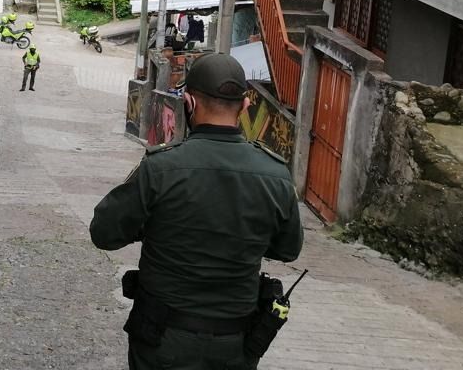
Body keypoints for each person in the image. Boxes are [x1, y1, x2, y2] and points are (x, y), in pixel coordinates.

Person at [89, 53, 303, 370]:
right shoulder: (276, 175)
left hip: (163, 339)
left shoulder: (161, 167)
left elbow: (104, 233)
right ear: (245, 107)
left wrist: (152, 226)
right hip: (236, 342)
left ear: (188, 103)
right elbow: (287, 249)